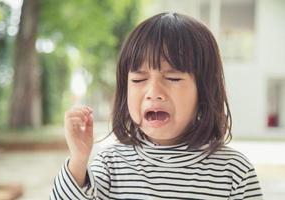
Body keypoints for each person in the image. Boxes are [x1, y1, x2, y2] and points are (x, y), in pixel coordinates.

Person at [50, 13, 263, 200]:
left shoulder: (234, 171)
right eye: (138, 80)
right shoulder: (110, 164)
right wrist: (78, 161)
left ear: (205, 90)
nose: (153, 92)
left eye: (172, 78)